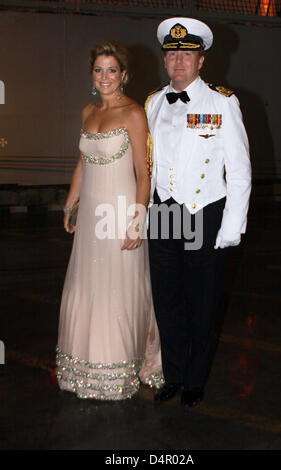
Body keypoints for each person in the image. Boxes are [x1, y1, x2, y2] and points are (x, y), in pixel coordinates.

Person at [145, 17, 251, 407]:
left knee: (201, 303)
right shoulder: (154, 102)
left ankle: (194, 381)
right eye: (172, 53)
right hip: (163, 215)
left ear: (201, 60)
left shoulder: (222, 102)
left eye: (186, 54)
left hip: (204, 214)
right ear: (165, 59)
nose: (178, 61)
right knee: (167, 301)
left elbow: (239, 170)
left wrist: (231, 228)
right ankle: (172, 375)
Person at [55, 40, 163, 400]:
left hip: (118, 214)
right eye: (99, 69)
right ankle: (84, 365)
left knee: (119, 289)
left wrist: (137, 219)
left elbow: (144, 173)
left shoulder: (134, 113)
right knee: (88, 286)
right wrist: (71, 203)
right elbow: (83, 163)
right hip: (90, 219)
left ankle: (119, 367)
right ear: (92, 74)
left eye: (111, 70)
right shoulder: (88, 112)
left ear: (124, 74)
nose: (105, 76)